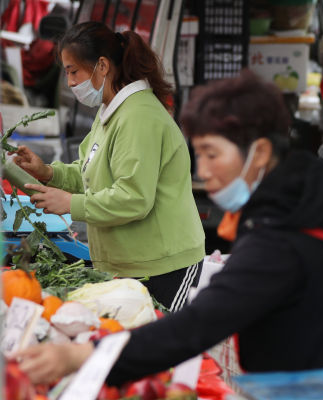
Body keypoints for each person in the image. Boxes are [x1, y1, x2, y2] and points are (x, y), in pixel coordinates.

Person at [14, 70, 323, 400]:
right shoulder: (305, 195)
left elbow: (196, 326)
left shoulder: (283, 237)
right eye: (200, 154)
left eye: (213, 154)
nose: (204, 170)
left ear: (261, 152)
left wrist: (86, 356)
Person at [11, 21, 204, 310]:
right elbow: (91, 174)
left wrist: (71, 203)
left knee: (161, 350)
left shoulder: (139, 117)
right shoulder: (111, 113)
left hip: (165, 266)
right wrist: (48, 172)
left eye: (73, 71)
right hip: (129, 265)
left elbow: (134, 198)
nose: (70, 83)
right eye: (66, 73)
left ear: (102, 65)